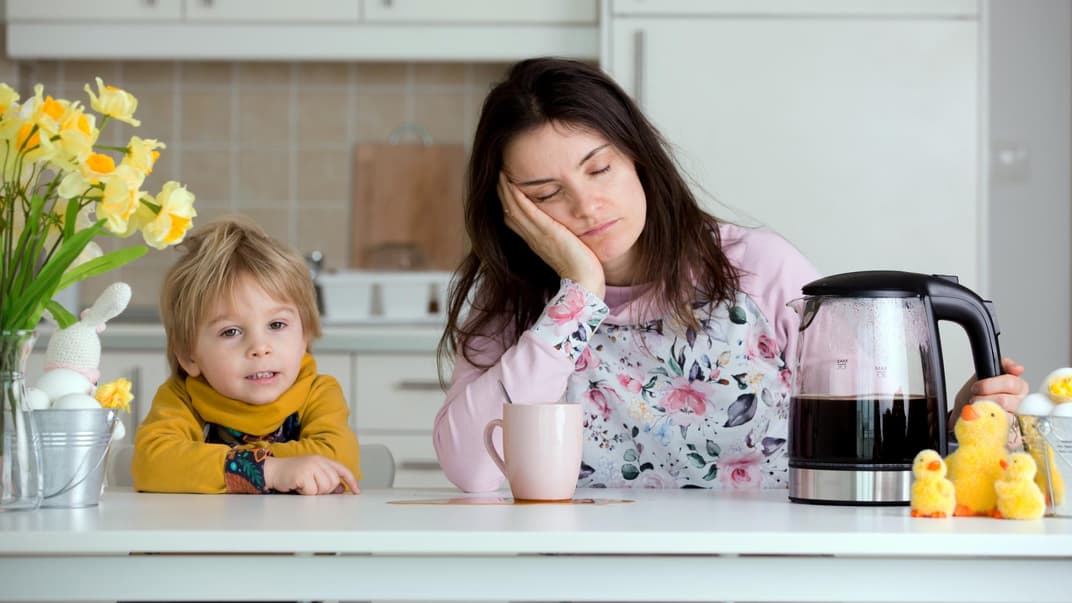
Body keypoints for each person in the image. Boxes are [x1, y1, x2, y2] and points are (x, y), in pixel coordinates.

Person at [433, 57, 1028, 492]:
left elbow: (878, 440)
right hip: (585, 572)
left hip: (770, 566)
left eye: (600, 169)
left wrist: (958, 427)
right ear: (514, 213)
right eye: (547, 194)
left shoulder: (758, 269)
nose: (586, 206)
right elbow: (471, 469)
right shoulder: (513, 307)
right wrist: (578, 297)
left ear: (637, 157)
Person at [132, 217, 361, 495]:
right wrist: (271, 471)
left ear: (305, 337)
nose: (260, 347)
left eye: (276, 325)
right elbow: (152, 463)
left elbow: (340, 459)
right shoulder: (182, 398)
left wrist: (205, 465)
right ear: (189, 356)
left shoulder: (317, 393)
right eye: (230, 332)